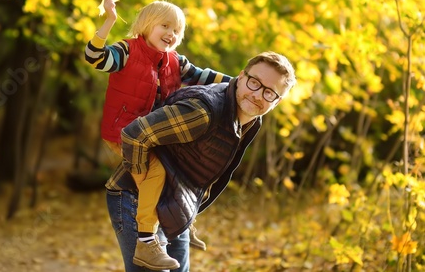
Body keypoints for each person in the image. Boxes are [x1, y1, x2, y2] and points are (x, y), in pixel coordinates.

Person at [106, 51, 296, 271]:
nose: (258, 95)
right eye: (254, 83)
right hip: (136, 198)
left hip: (174, 204)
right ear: (241, 77)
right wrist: (143, 180)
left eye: (269, 93)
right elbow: (134, 135)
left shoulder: (251, 121)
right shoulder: (203, 112)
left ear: (278, 101)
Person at [85, 0, 231, 270]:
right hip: (123, 132)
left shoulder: (175, 61)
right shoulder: (127, 51)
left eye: (177, 30)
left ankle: (182, 219)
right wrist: (109, 21)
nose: (171, 34)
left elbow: (205, 77)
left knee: (182, 165)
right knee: (157, 172)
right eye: (165, 25)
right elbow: (95, 57)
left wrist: (239, 84)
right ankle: (146, 241)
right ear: (146, 25)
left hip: (154, 134)